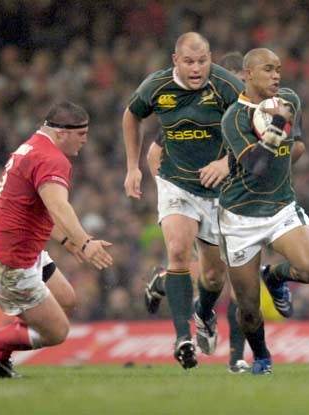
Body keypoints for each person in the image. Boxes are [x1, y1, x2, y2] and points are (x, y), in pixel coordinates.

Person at [0, 100, 113, 377]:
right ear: (62, 132)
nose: (85, 141)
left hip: (10, 249)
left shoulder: (31, 146)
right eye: (81, 134)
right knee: (57, 331)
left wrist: (67, 241)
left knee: (66, 298)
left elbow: (34, 208)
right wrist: (85, 242)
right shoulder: (52, 158)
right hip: (9, 263)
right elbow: (58, 206)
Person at [123, 32, 244, 369]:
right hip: (177, 183)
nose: (196, 68)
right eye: (189, 61)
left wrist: (225, 163)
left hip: (219, 188)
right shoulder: (156, 87)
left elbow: (251, 128)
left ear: (211, 58)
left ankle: (202, 312)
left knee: (214, 277)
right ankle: (182, 338)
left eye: (202, 61)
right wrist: (133, 167)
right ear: (176, 60)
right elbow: (131, 115)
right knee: (177, 250)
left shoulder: (227, 85)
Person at [219, 48, 309, 375]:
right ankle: (262, 356)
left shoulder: (289, 99)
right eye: (268, 69)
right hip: (239, 217)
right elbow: (255, 166)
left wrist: (281, 137)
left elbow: (298, 146)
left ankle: (274, 276)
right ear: (248, 74)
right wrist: (277, 124)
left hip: (280, 208)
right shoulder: (233, 118)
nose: (276, 76)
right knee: (248, 309)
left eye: (278, 69)